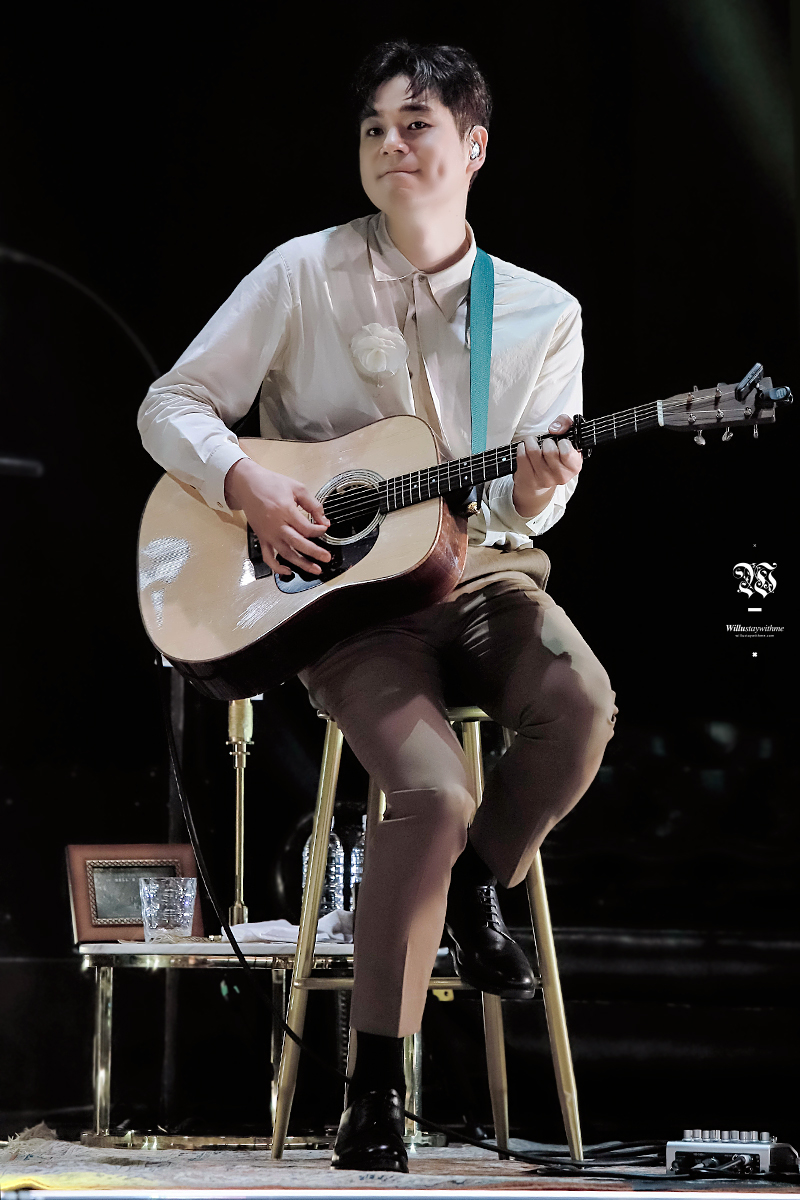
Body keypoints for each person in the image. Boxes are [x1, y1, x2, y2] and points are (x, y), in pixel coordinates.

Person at [138, 40, 617, 1172]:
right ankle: (372, 1091)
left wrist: (535, 490)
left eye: (416, 125)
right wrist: (246, 483)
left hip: (483, 574)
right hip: (348, 604)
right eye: (374, 129)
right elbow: (172, 404)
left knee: (581, 707)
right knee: (432, 790)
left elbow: (529, 504)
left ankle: (477, 888)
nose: (391, 145)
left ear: (474, 146)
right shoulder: (300, 272)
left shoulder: (541, 313)